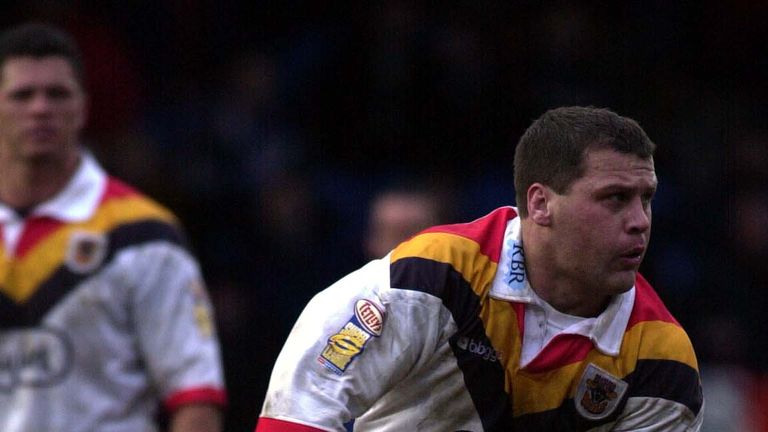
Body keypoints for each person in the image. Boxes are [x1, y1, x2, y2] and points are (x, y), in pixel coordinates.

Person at [254, 106, 704, 431]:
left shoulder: (662, 361)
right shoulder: (432, 277)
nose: (640, 221)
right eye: (615, 199)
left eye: (646, 198)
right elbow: (299, 410)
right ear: (541, 203)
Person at [0, 22, 226, 432]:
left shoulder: (144, 237)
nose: (39, 108)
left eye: (57, 94)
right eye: (22, 95)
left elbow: (195, 399)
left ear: (83, 107)